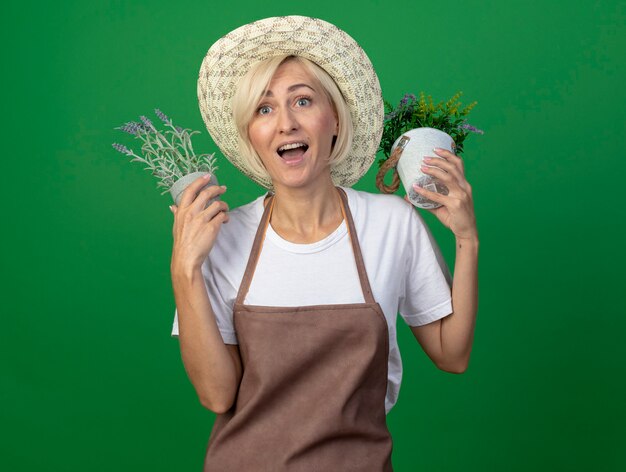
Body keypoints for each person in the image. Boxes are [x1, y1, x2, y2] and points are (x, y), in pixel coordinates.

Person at [169, 16, 478, 471]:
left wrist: (467, 240)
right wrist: (185, 268)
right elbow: (216, 394)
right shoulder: (226, 237)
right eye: (265, 108)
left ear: (333, 118)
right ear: (251, 136)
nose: (286, 124)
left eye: (303, 100)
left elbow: (452, 355)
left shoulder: (392, 223)